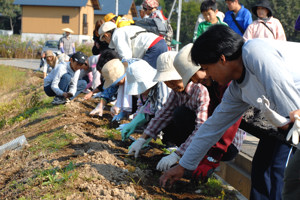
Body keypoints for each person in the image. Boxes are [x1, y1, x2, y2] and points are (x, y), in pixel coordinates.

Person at [158, 25, 300, 200]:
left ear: (222, 59)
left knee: (281, 173)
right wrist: (183, 165)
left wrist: (291, 120)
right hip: (287, 124)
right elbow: (212, 127)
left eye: (207, 68)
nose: (207, 75)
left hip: (293, 121)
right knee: (264, 168)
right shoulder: (236, 90)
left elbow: (292, 109)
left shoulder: (255, 51)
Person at [128, 46, 244, 182]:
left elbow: (204, 127)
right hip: (209, 139)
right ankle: (192, 160)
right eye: (167, 82)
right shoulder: (179, 91)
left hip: (224, 145)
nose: (171, 85)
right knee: (176, 114)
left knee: (181, 114)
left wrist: (178, 155)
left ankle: (195, 162)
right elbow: (164, 113)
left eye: (173, 80)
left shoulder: (202, 89)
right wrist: (143, 138)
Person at [120, 57, 170, 141]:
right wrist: (133, 123)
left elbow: (161, 116)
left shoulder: (162, 87)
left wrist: (143, 139)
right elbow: (145, 107)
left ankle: (170, 142)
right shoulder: (151, 91)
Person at [98, 21, 168, 69]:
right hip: (159, 42)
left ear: (106, 35)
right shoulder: (124, 30)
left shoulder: (117, 35)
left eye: (104, 38)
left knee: (143, 76)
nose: (105, 41)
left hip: (152, 46)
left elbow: (127, 58)